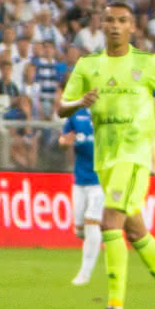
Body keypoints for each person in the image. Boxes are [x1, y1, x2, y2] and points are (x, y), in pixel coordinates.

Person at [58, 1, 155, 309]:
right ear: (101, 25)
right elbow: (62, 107)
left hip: (133, 157)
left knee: (110, 221)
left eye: (122, 21)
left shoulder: (147, 63)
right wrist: (80, 102)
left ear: (132, 27)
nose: (115, 26)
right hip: (105, 160)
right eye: (109, 20)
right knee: (135, 231)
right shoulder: (89, 65)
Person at [58, 102, 104, 286]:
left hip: (100, 180)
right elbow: (63, 139)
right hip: (80, 180)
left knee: (91, 222)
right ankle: (104, 234)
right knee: (79, 229)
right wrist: (63, 142)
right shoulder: (76, 114)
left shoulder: (108, 112)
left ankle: (84, 274)